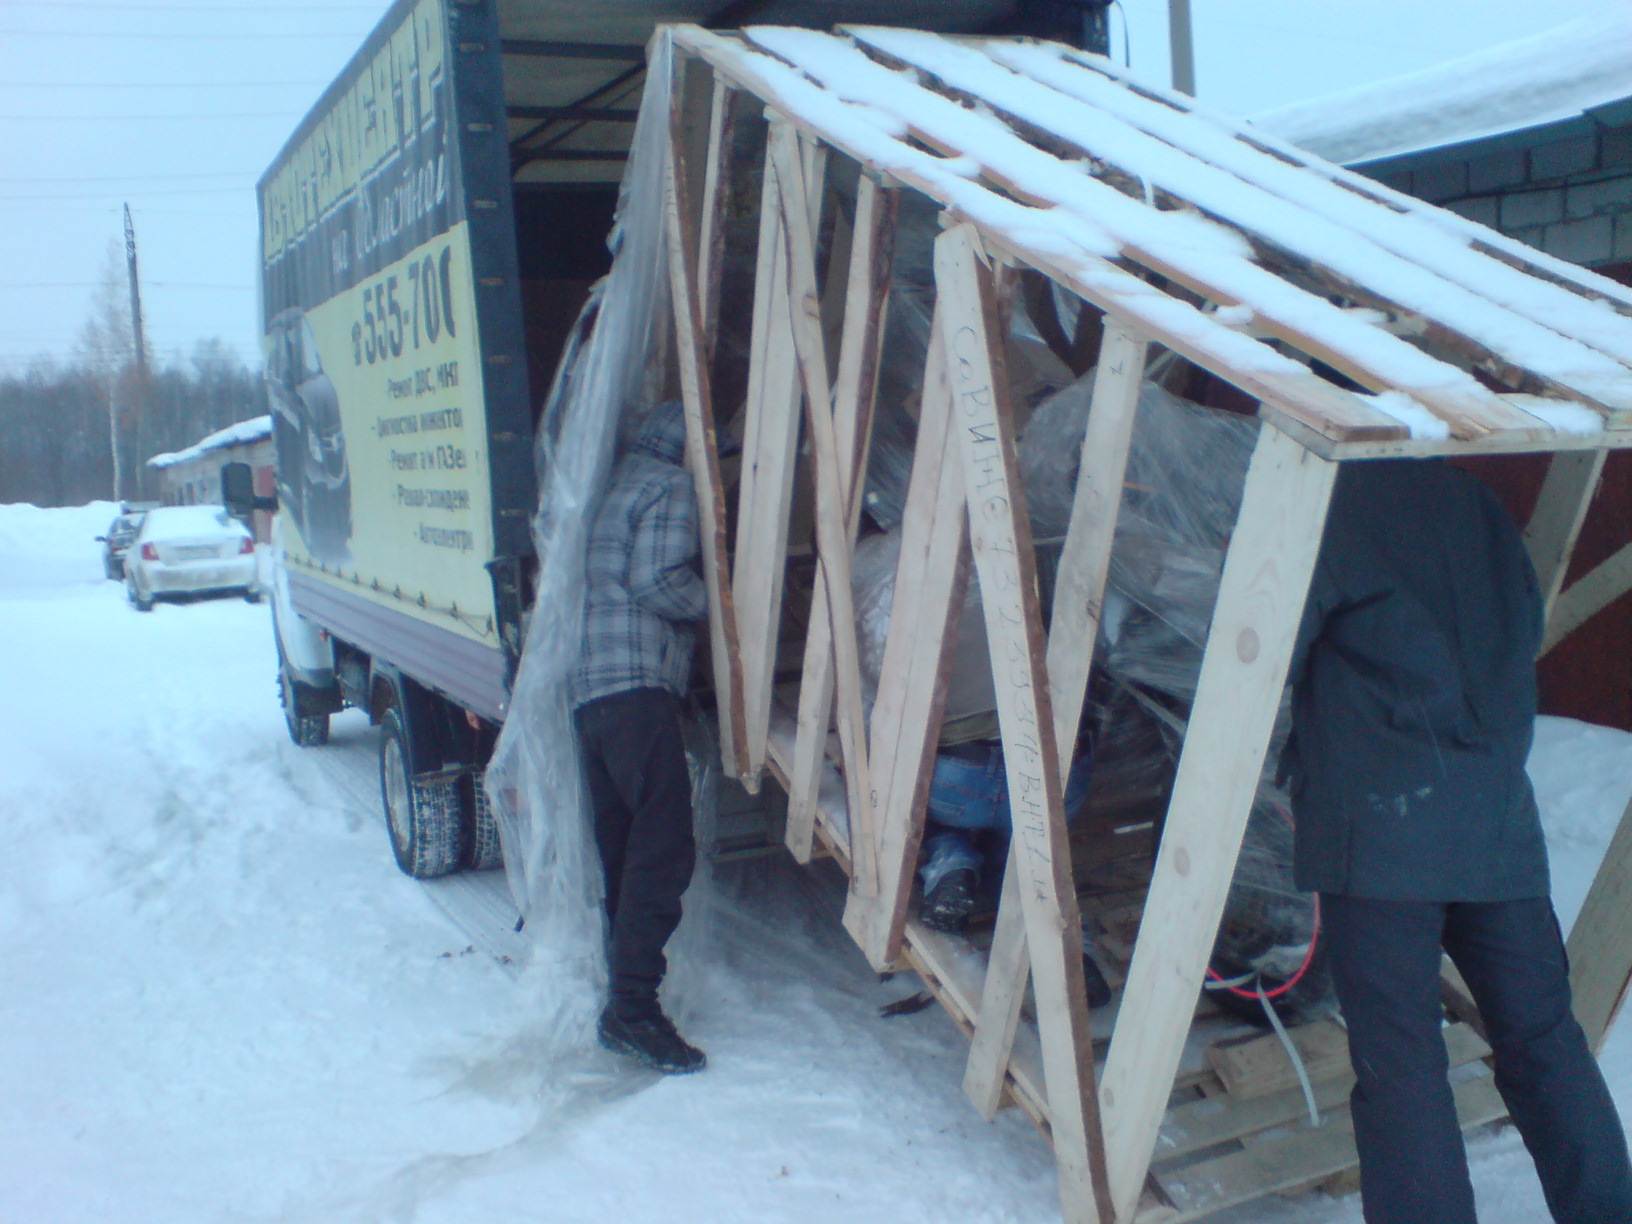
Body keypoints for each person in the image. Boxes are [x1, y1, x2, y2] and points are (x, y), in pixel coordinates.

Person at [1288, 457, 1632, 1223]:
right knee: (1546, 1043)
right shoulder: (1473, 502)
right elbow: (1522, 622)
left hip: (1381, 832)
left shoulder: (1326, 497)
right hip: (1495, 821)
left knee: (1403, 1069)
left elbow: (1269, 644)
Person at [571, 400, 709, 1075]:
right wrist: (726, 607)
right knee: (663, 850)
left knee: (624, 854)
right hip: (636, 691)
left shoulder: (616, 482)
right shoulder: (672, 484)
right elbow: (657, 580)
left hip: (591, 696)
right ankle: (634, 1012)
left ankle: (620, 1004)